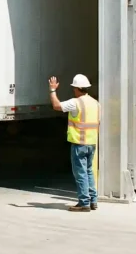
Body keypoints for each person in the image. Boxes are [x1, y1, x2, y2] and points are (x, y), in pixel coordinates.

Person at [49, 74, 99, 212]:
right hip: (92, 142)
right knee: (88, 171)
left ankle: (84, 203)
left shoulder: (76, 102)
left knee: (81, 173)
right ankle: (93, 201)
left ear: (77, 88)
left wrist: (53, 90)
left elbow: (56, 105)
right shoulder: (96, 103)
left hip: (79, 143)